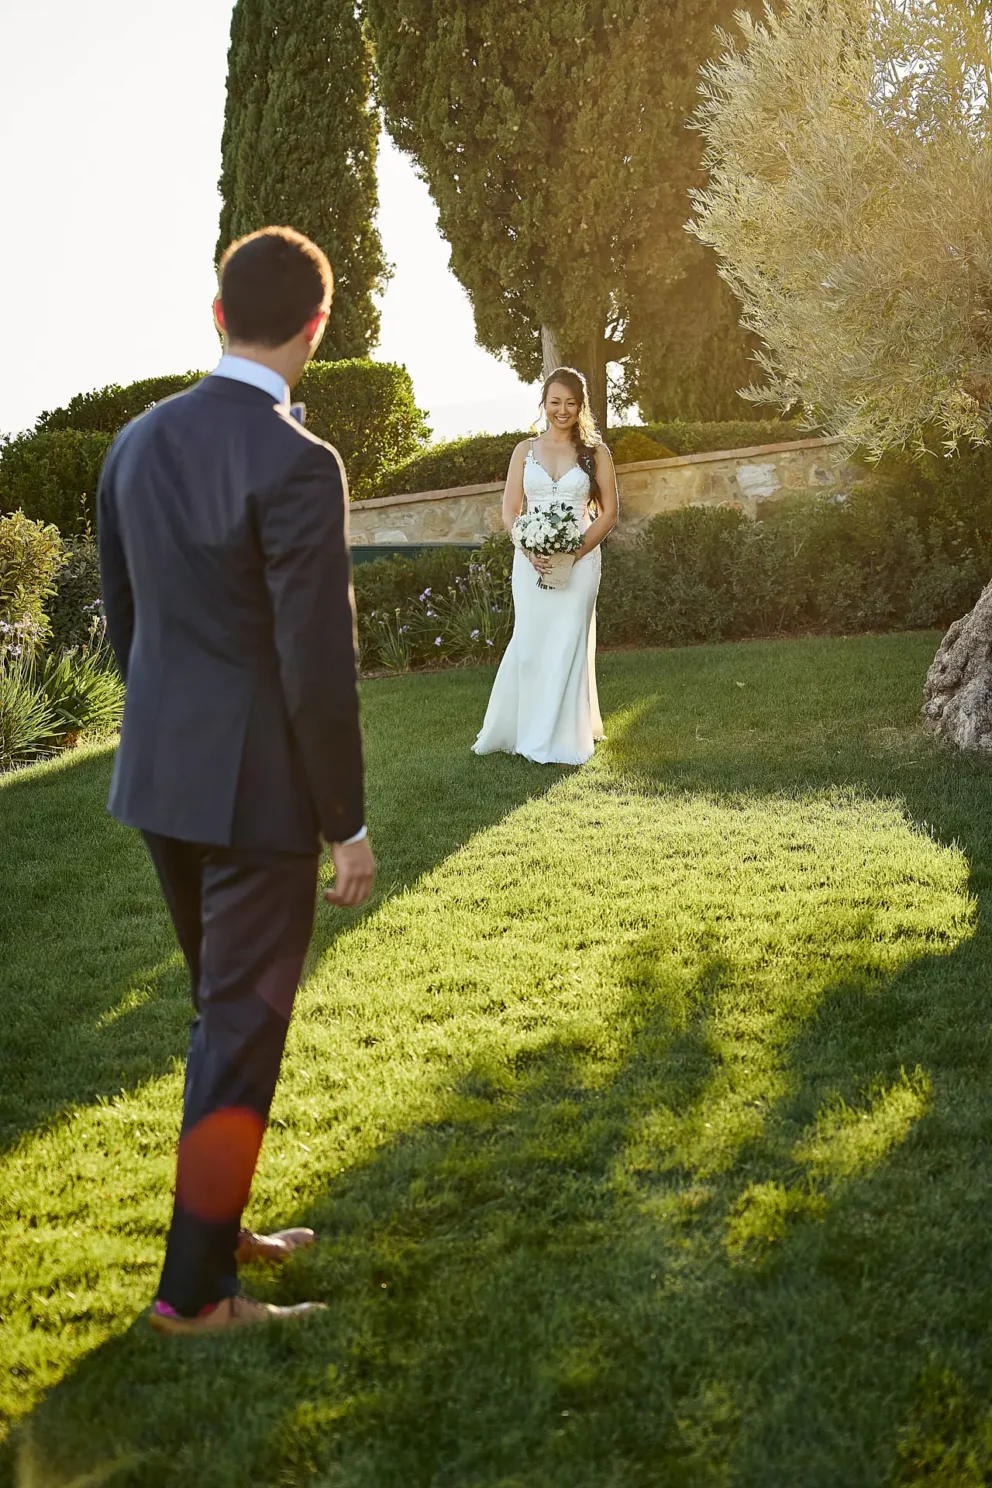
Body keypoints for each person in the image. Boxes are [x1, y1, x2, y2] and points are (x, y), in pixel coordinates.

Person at [97, 225, 376, 1336]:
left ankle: (221, 1232)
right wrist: (345, 822)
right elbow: (317, 662)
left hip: (161, 783)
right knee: (236, 1034)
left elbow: (125, 623)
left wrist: (173, 736)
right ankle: (196, 1297)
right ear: (318, 328)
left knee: (221, 1022)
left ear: (217, 316)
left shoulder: (133, 443)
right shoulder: (299, 461)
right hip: (256, 800)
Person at [472, 367, 619, 765]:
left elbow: (609, 514)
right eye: (555, 402)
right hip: (530, 562)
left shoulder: (596, 454)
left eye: (571, 403)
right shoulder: (525, 450)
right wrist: (527, 547)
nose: (562, 410)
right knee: (531, 645)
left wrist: (574, 553)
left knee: (569, 641)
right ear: (544, 403)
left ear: (581, 406)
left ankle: (566, 738)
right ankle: (523, 730)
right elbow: (511, 510)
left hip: (581, 562)